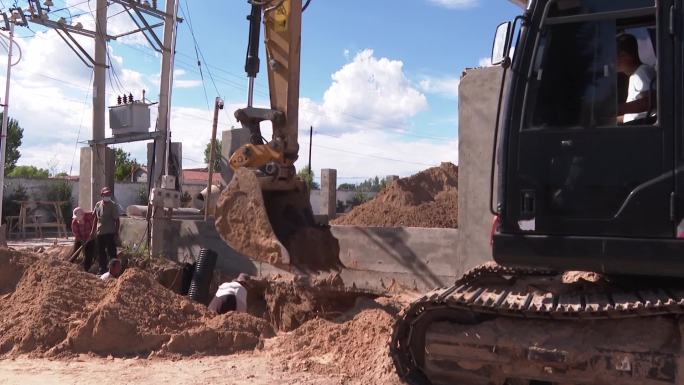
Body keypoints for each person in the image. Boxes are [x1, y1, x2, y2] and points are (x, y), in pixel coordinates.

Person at [617, 33, 657, 123]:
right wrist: (606, 120)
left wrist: (616, 109)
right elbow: (630, 116)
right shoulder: (635, 75)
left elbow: (649, 102)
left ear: (625, 56)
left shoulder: (642, 72)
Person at [90, 187, 120, 274]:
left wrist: (116, 232)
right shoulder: (98, 205)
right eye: (105, 194)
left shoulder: (113, 205)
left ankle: (114, 271)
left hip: (110, 232)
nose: (107, 196)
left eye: (108, 194)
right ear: (102, 195)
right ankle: (102, 270)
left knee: (112, 253)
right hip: (100, 232)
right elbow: (95, 218)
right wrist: (92, 231)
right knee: (101, 252)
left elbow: (117, 220)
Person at [71, 207, 96, 272]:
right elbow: (76, 233)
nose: (76, 219)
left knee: (89, 255)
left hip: (90, 239)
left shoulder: (89, 218)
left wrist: (92, 234)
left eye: (77, 217)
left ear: (82, 215)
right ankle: (69, 264)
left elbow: (95, 222)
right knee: (75, 252)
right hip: (80, 239)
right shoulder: (74, 222)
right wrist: (81, 240)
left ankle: (86, 269)